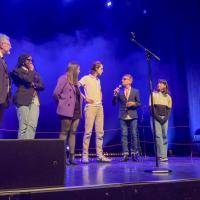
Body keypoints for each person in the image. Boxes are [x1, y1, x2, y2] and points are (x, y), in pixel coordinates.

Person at [79, 61, 111, 163]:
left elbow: (99, 91)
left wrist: (100, 98)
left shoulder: (98, 80)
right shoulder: (86, 78)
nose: (103, 70)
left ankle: (100, 155)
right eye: (101, 68)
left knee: (100, 132)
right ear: (96, 68)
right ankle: (85, 156)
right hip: (90, 107)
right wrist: (85, 98)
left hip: (99, 107)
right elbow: (75, 87)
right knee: (88, 132)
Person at [54, 62, 82, 165]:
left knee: (73, 132)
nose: (79, 71)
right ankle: (61, 157)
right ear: (74, 70)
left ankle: (71, 157)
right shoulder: (63, 78)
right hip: (67, 111)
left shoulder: (75, 81)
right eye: (78, 69)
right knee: (64, 132)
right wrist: (62, 104)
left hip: (77, 110)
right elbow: (56, 93)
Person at [11, 54, 44, 139]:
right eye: (28, 60)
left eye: (31, 60)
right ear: (23, 61)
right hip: (22, 99)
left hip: (35, 101)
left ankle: (28, 147)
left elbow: (42, 86)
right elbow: (27, 80)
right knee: (24, 125)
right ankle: (21, 149)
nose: (30, 62)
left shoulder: (34, 72)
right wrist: (31, 72)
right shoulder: (17, 71)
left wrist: (33, 84)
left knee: (32, 125)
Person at [113, 74, 141, 162]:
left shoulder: (135, 91)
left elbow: (139, 103)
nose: (122, 81)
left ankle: (134, 154)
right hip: (122, 115)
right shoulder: (120, 91)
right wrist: (115, 94)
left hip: (133, 115)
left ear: (130, 81)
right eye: (122, 79)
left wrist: (134, 103)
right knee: (124, 135)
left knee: (134, 134)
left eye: (124, 79)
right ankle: (125, 154)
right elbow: (114, 103)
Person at [149, 79, 172, 162]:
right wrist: (158, 118)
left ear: (165, 85)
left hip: (164, 119)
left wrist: (165, 118)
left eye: (161, 83)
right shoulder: (153, 94)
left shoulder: (168, 97)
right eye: (158, 83)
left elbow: (169, 110)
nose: (159, 84)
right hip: (156, 118)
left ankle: (164, 155)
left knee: (164, 136)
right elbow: (152, 109)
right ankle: (160, 156)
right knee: (158, 136)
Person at [0, 34, 12, 125]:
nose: (10, 46)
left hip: (2, 98)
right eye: (8, 44)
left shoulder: (3, 60)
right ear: (1, 44)